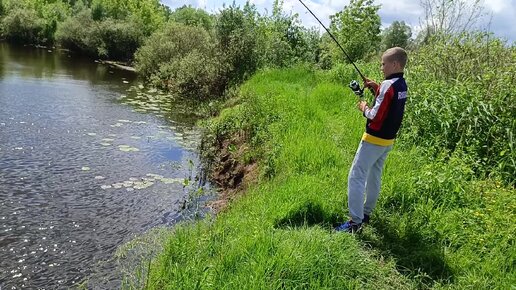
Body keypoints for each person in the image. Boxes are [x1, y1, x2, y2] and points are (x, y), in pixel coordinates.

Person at [335, 47, 408, 233]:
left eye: (384, 63)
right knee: (374, 175)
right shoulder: (401, 85)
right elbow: (389, 103)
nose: (381, 67)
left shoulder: (387, 85)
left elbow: (374, 115)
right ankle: (366, 214)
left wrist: (364, 108)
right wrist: (376, 87)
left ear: (395, 64)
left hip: (374, 139)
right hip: (388, 141)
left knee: (356, 176)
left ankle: (354, 222)